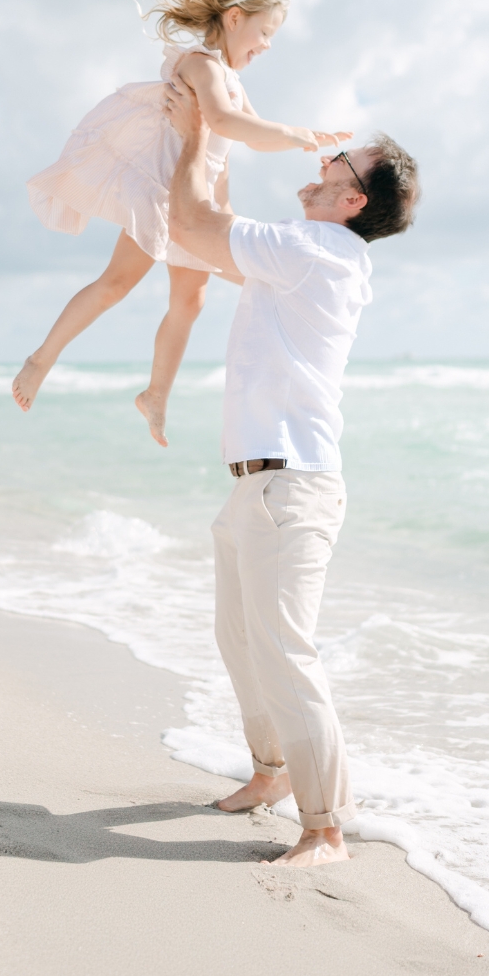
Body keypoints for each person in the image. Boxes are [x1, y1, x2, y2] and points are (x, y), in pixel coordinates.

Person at [162, 75, 420, 867]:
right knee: (241, 641)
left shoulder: (315, 251)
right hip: (257, 482)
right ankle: (271, 773)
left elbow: (190, 223)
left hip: (292, 483)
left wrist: (201, 133)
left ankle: (327, 827)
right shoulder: (305, 250)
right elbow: (214, 227)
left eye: (339, 165)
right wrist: (215, 140)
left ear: (352, 202)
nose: (321, 164)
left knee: (284, 650)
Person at [15, 0, 350, 445]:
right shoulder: (201, 65)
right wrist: (292, 130)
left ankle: (155, 395)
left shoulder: (229, 78)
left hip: (201, 206)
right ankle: (41, 358)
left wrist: (299, 139)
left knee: (190, 300)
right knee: (116, 284)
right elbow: (221, 122)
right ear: (234, 18)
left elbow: (251, 133)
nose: (268, 46)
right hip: (166, 197)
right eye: (265, 33)